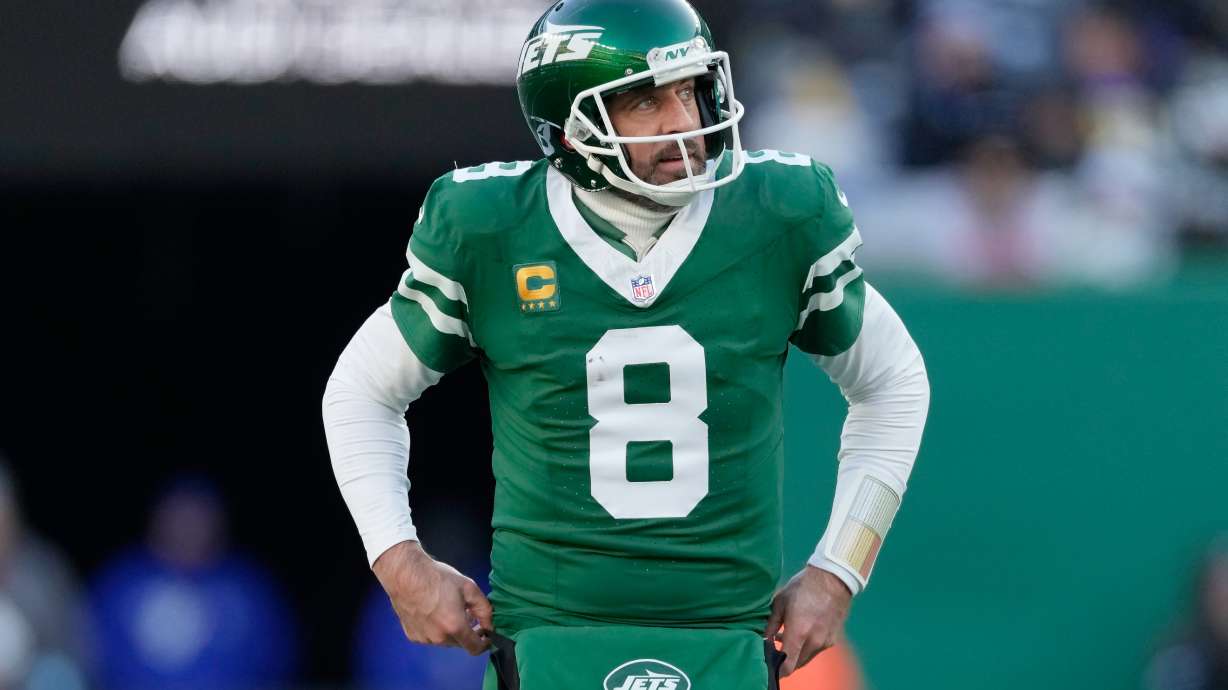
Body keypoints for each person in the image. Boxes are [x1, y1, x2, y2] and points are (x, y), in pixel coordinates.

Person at [322, 0, 930, 687]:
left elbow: (894, 380)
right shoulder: (490, 227)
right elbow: (361, 392)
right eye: (645, 102)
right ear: (573, 128)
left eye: (689, 90)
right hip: (548, 640)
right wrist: (398, 561)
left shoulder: (776, 213)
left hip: (728, 636)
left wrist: (840, 569)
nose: (685, 125)